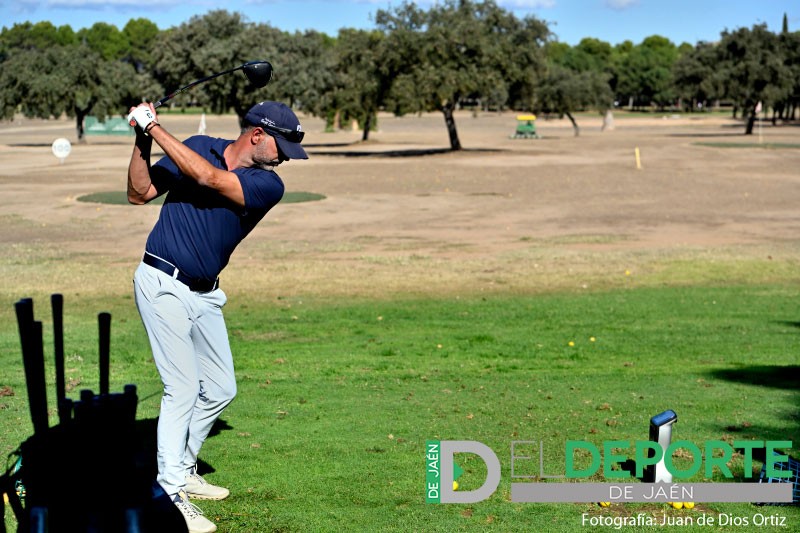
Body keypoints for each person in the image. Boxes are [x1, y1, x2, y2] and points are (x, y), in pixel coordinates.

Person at [127, 100, 308, 533]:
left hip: (206, 295)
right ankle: (170, 492)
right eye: (281, 146)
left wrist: (154, 126)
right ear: (257, 135)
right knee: (183, 388)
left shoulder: (268, 185)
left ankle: (183, 469)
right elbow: (139, 193)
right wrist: (141, 137)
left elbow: (207, 178)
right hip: (161, 282)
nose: (284, 157)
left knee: (221, 388)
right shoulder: (198, 146)